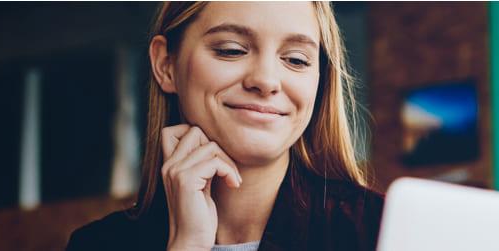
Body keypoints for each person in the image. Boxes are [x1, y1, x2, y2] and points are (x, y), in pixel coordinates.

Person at [66, 2, 383, 251]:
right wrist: (187, 246)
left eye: (296, 59)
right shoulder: (98, 245)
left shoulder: (378, 232)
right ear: (166, 65)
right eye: (231, 50)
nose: (266, 81)